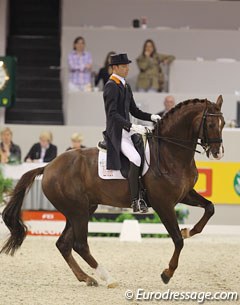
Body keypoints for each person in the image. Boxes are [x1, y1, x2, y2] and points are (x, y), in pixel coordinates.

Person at [103, 53, 161, 213]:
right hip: (117, 133)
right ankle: (135, 200)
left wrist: (151, 117)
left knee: (147, 153)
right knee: (135, 158)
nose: (127, 69)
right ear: (114, 68)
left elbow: (134, 110)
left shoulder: (125, 86)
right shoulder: (111, 86)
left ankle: (143, 192)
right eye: (124, 66)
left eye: (128, 66)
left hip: (128, 131)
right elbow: (112, 114)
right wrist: (131, 126)